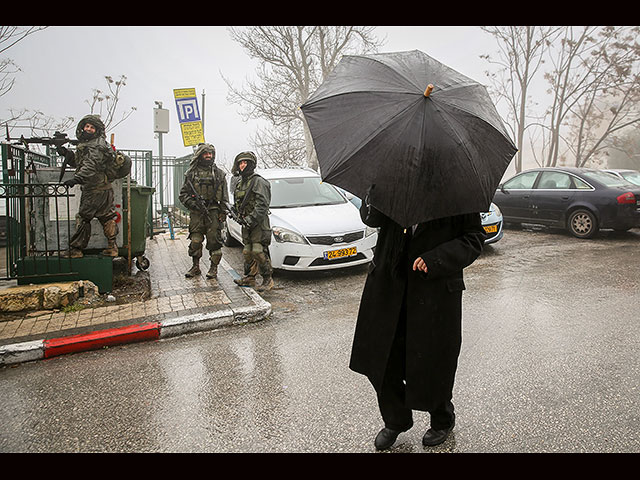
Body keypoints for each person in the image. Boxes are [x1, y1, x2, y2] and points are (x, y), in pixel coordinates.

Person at [349, 189, 485, 450]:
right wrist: (372, 194)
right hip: (388, 287)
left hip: (434, 291)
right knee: (381, 357)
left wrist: (436, 259)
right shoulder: (393, 182)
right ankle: (396, 419)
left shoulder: (457, 192)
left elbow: (474, 238)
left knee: (434, 360)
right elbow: (371, 219)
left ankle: (442, 419)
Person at [57, 115, 119, 258]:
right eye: (87, 126)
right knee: (106, 217)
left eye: (92, 127)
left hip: (94, 189)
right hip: (104, 187)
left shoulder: (96, 145)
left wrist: (77, 179)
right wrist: (67, 154)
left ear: (96, 129)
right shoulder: (94, 143)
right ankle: (112, 247)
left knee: (84, 217)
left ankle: (76, 249)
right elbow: (82, 163)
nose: (89, 129)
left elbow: (91, 165)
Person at [178, 143, 228, 279]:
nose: (208, 156)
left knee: (214, 242)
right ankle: (195, 267)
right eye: (206, 153)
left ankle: (213, 268)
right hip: (197, 213)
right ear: (200, 155)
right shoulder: (191, 174)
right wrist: (193, 204)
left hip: (213, 212)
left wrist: (223, 213)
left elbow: (224, 197)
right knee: (195, 241)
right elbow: (183, 195)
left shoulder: (219, 174)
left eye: (211, 154)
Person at [230, 151, 274, 292]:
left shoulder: (259, 181)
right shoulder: (239, 182)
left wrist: (251, 219)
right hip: (246, 223)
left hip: (259, 224)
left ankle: (268, 279)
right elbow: (239, 202)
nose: (242, 165)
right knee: (247, 251)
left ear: (251, 164)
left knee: (258, 251)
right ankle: (250, 278)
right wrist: (235, 213)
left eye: (245, 162)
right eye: (240, 163)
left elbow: (262, 204)